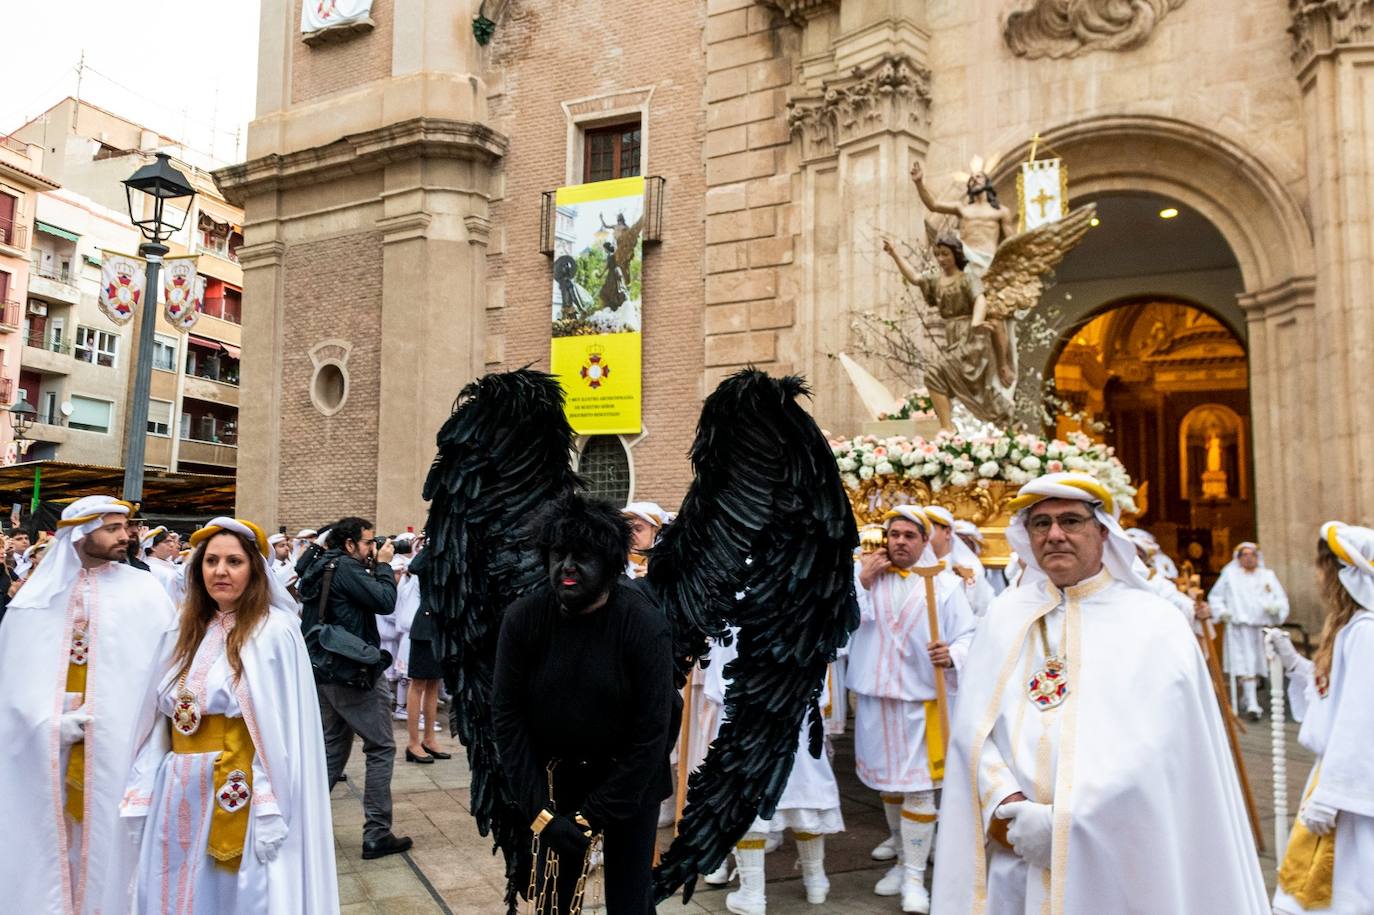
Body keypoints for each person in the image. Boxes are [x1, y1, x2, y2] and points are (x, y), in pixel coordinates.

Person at [930, 472, 1268, 914]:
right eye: (1040, 524)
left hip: (1118, 855)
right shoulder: (1003, 616)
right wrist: (1009, 803)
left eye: (1071, 521)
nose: (1054, 535)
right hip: (1015, 849)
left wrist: (1066, 820)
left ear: (1102, 532)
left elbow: (1159, 753)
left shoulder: (1155, 624)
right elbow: (975, 729)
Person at [126, 518, 338, 914]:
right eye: (211, 561)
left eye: (234, 562)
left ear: (254, 570)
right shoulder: (182, 628)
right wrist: (142, 786)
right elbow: (157, 720)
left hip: (242, 789)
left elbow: (279, 732)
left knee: (238, 894)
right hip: (178, 791)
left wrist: (269, 802)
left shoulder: (274, 632)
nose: (220, 571)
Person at [492, 492, 675, 914]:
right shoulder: (523, 618)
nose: (567, 567)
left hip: (632, 781)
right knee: (555, 899)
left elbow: (651, 733)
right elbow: (508, 717)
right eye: (559, 554)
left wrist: (593, 815)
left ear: (610, 563)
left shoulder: (645, 625)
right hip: (555, 781)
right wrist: (541, 813)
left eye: (583, 556)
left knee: (630, 902)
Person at [0, 495, 177, 914]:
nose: (126, 535)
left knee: (112, 846)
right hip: (47, 758)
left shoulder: (146, 591)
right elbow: (11, 688)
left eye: (126, 527)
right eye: (112, 528)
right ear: (79, 533)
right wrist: (46, 724)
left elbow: (166, 673)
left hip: (122, 752)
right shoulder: (33, 601)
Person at [849, 504, 976, 913]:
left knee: (919, 786)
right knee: (890, 784)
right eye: (894, 534)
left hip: (923, 702)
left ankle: (915, 879)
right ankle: (904, 860)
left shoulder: (947, 587)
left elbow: (971, 634)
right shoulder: (865, 579)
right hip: (875, 699)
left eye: (909, 535)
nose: (899, 542)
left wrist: (953, 652)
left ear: (924, 541)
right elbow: (839, 625)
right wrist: (862, 584)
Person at [1269, 522, 1374, 914]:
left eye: (1321, 567)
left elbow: (1360, 718)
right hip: (1334, 778)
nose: (1315, 575)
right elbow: (1333, 696)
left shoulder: (1366, 632)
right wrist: (1294, 664)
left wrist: (1332, 797)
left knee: (1352, 884)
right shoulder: (1350, 629)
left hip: (1353, 787)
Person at [297, 516, 411, 860]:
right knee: (380, 747)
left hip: (325, 668)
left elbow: (302, 575)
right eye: (368, 543)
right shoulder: (347, 567)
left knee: (332, 750)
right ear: (350, 544)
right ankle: (377, 833)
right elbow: (385, 601)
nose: (373, 548)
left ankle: (297, 824)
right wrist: (385, 566)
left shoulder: (319, 565)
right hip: (353, 670)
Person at [705, 632, 843, 913]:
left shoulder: (735, 613)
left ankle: (753, 894)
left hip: (748, 722)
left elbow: (719, 685)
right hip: (797, 720)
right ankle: (815, 880)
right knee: (804, 794)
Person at [882, 234, 1013, 427]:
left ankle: (947, 428)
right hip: (952, 337)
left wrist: (977, 322)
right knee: (965, 387)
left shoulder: (968, 278)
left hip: (971, 336)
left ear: (956, 254)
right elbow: (915, 278)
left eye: (945, 254)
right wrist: (894, 254)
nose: (941, 259)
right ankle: (951, 427)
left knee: (935, 373)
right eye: (938, 254)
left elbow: (980, 299)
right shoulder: (937, 280)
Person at [1209, 541, 1290, 719]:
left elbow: (1280, 598)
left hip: (1261, 628)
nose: (1248, 558)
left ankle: (1249, 698)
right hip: (1239, 628)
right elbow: (1216, 597)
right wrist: (1222, 612)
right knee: (1244, 663)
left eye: (1251, 554)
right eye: (1244, 555)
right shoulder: (1230, 575)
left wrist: (1275, 608)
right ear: (1238, 558)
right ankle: (1252, 702)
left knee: (1258, 663)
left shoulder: (1267, 575)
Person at [401, 544, 450, 762]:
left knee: (433, 684)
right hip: (424, 626)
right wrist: (429, 544)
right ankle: (413, 743)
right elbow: (415, 566)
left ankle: (429, 739)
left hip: (440, 626)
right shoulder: (430, 552)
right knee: (418, 683)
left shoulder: (449, 554)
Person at [925, 506, 996, 618]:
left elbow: (984, 611)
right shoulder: (912, 567)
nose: (923, 535)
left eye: (929, 529)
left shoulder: (969, 571)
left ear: (947, 532)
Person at [143, 525, 186, 606]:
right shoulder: (150, 568)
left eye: (172, 541)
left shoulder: (169, 564)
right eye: (167, 542)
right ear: (153, 547)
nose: (172, 545)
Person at [622, 501, 666, 579]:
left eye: (638, 529)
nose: (631, 534)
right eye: (627, 529)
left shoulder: (668, 565)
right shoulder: (613, 560)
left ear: (655, 532)